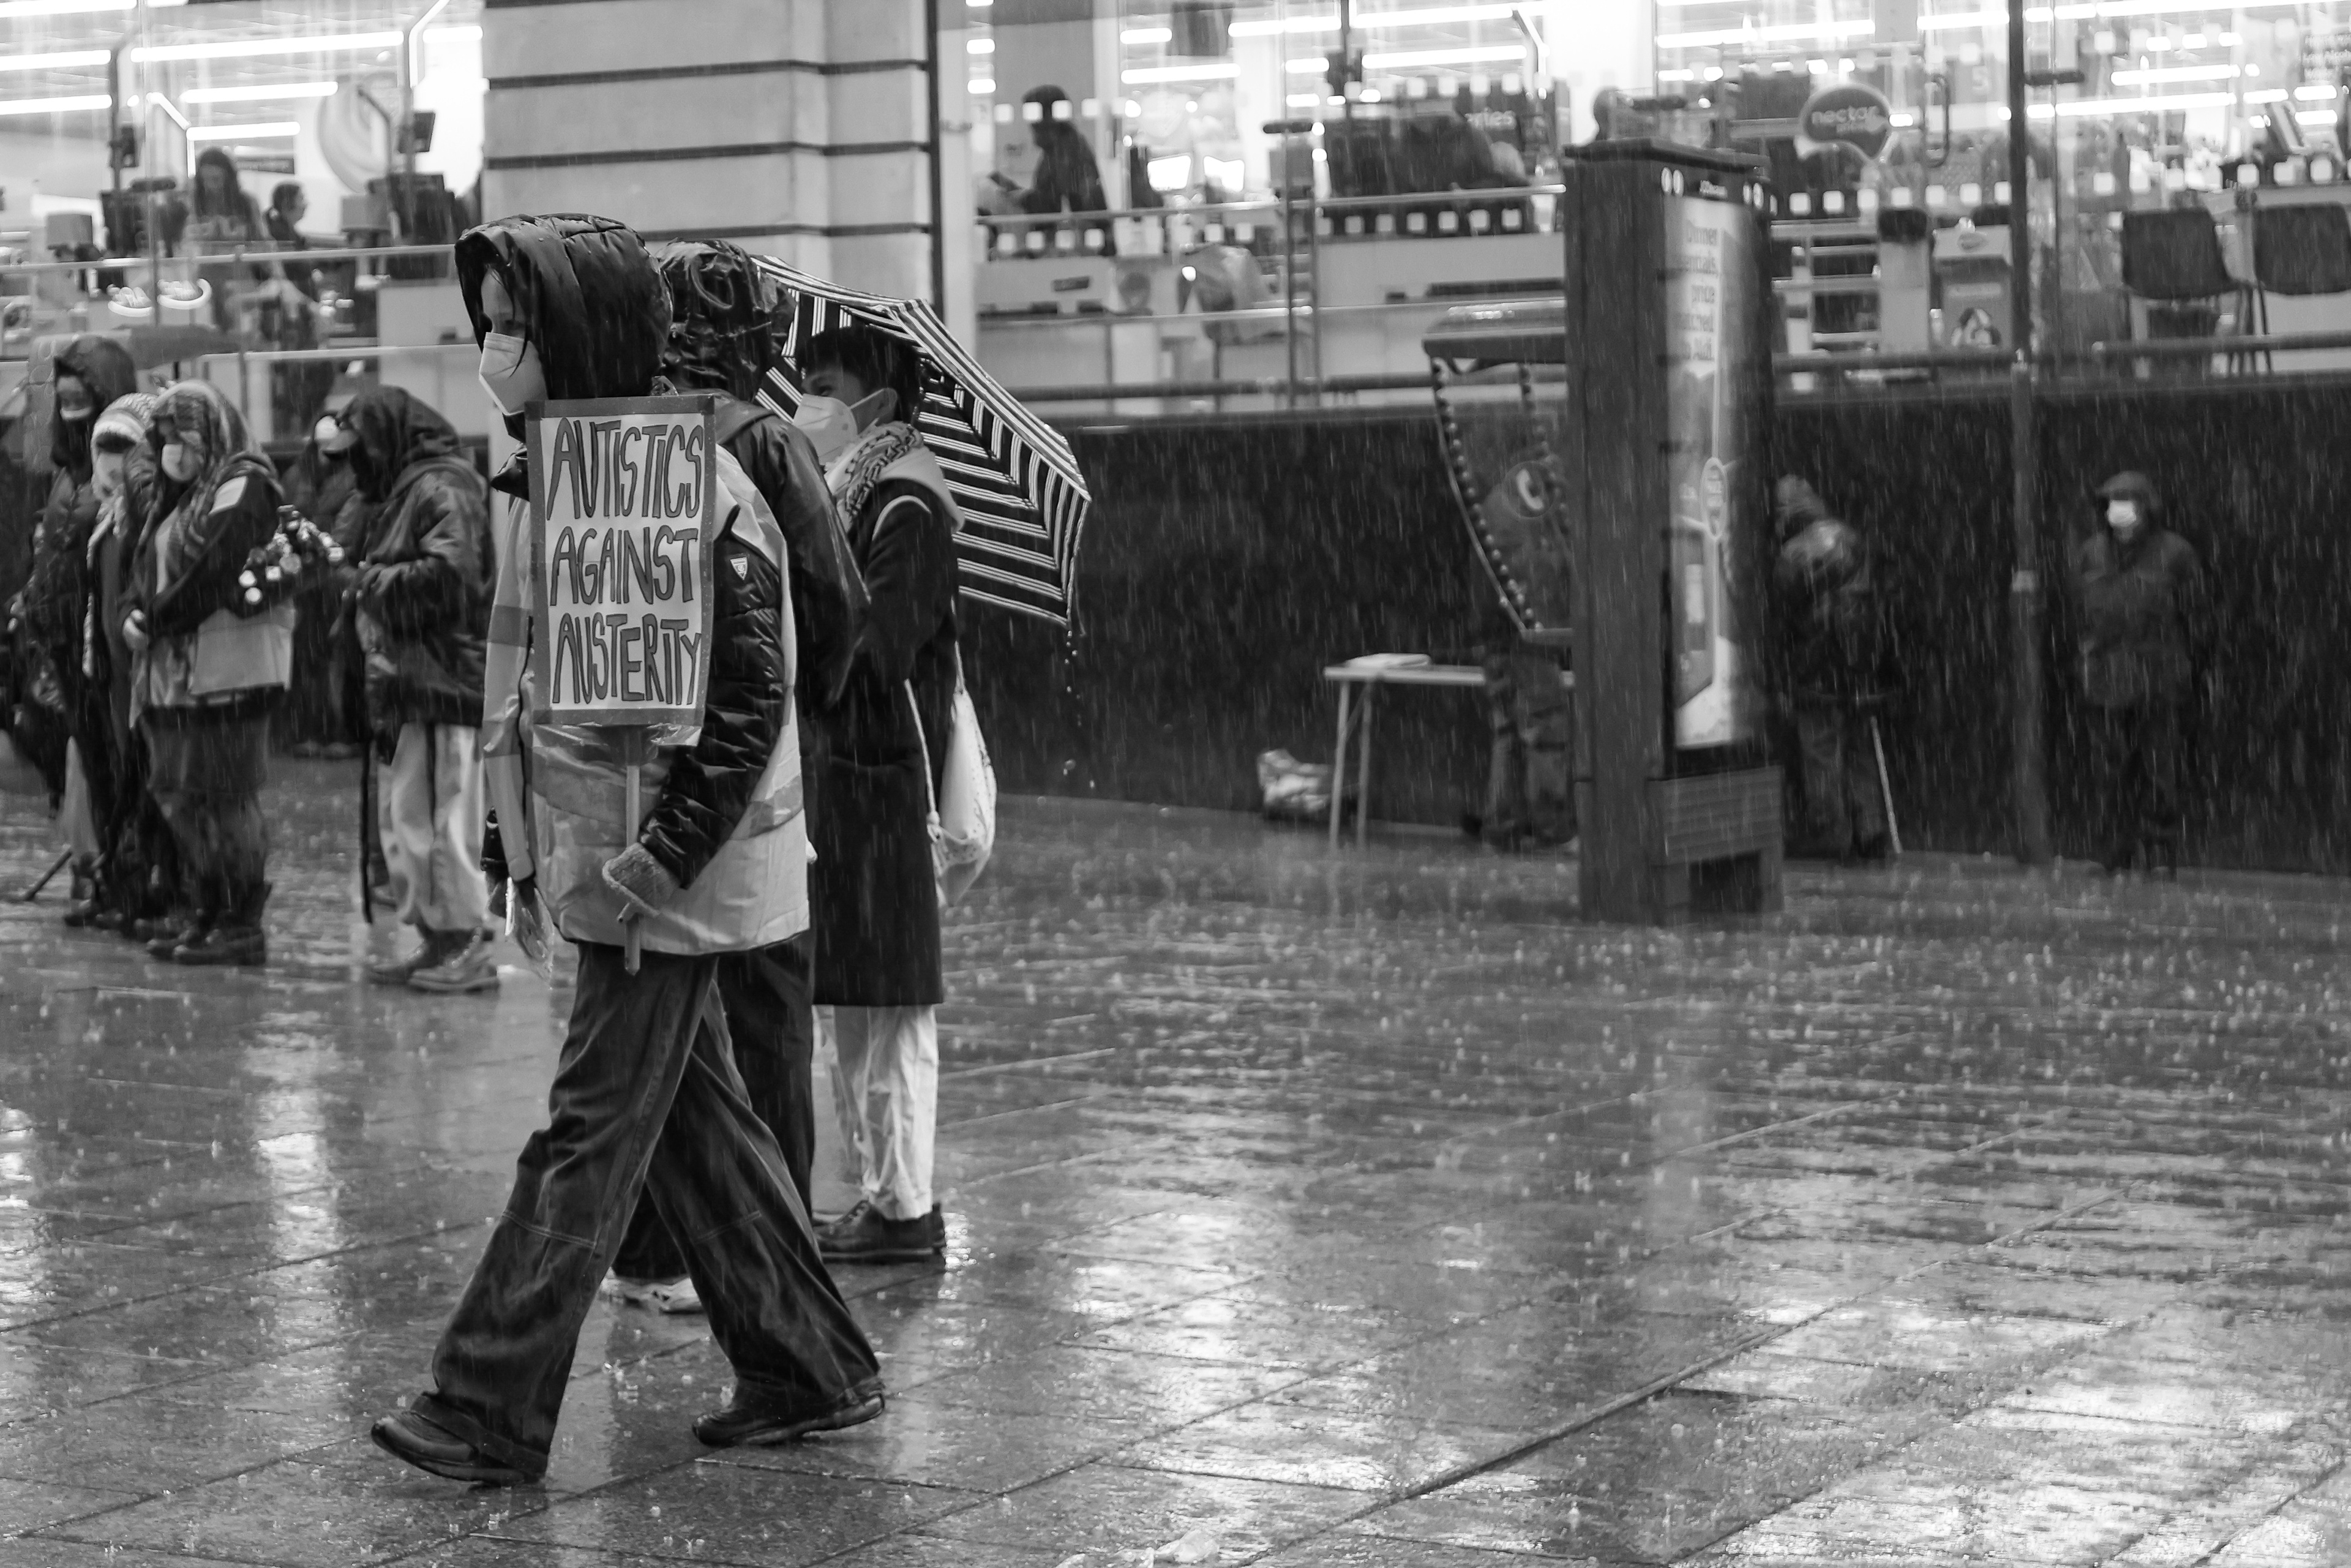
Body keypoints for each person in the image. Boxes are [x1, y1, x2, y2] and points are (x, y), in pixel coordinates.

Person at [370, 213, 883, 1488]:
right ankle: (811, 1361)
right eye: (486, 324)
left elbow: (751, 692)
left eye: (514, 328)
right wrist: (519, 836)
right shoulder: (581, 468)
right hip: (623, 870)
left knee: (586, 1135)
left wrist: (659, 855)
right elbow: (534, 684)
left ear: (580, 332)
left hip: (665, 877)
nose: (492, 352)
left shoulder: (678, 477)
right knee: (696, 1125)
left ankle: (487, 1397)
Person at [596, 240, 870, 1314]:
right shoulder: (764, 439)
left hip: (632, 778)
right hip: (754, 789)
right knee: (763, 1024)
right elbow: (833, 603)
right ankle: (774, 1250)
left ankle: (661, 1245)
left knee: (665, 1032)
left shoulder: (612, 433)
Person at [793, 323, 961, 1266]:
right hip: (850, 779)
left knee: (890, 1012)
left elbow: (881, 647)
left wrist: (815, 622)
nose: (809, 397)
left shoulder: (909, 501)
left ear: (880, 403)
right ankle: (878, 1197)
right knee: (853, 1007)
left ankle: (905, 1209)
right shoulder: (856, 490)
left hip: (887, 780)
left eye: (825, 382)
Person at [329, 386, 498, 994]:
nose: (355, 465)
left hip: (441, 680)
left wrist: (367, 581)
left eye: (360, 450)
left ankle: (466, 942)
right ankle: (440, 938)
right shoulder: (414, 488)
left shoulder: (440, 487)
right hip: (414, 682)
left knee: (447, 819)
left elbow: (451, 578)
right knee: (416, 820)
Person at [124, 381, 288, 967]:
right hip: (176, 675)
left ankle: (240, 920)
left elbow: (216, 567)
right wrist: (133, 614)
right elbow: (144, 567)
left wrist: (157, 618)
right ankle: (209, 909)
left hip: (231, 672)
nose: (173, 448)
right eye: (164, 437)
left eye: (182, 434)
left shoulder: (244, 483)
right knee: (181, 794)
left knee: (225, 798)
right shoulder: (181, 495)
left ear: (211, 429)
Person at [13, 336, 138, 921]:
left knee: (117, 763)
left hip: (104, 646)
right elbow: (58, 552)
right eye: (61, 390)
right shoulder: (67, 474)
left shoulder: (120, 473)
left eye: (79, 389)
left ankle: (128, 877)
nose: (67, 397)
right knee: (88, 763)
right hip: (67, 645)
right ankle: (107, 873)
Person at [2073, 470, 2212, 876]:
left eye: (2128, 504)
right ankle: (2116, 847)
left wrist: (2184, 667)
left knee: (2159, 767)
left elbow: (2200, 618)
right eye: (2112, 504)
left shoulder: (2176, 553)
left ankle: (2158, 847)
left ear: (2146, 509)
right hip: (2106, 682)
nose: (2120, 514)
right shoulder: (2090, 554)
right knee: (2112, 770)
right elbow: (2080, 615)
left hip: (2158, 679)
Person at [85, 392, 174, 937]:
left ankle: (158, 889)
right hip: (115, 675)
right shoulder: (106, 518)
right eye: (104, 447)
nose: (111, 461)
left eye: (124, 446)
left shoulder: (144, 517)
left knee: (153, 779)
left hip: (146, 673)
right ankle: (131, 883)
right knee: (126, 777)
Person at [1774, 475, 1895, 864]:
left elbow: (1783, 619)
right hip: (1859, 665)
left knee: (1821, 750)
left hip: (1817, 668)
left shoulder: (1792, 555)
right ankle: (1871, 830)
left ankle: (1832, 833)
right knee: (1858, 746)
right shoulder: (1851, 538)